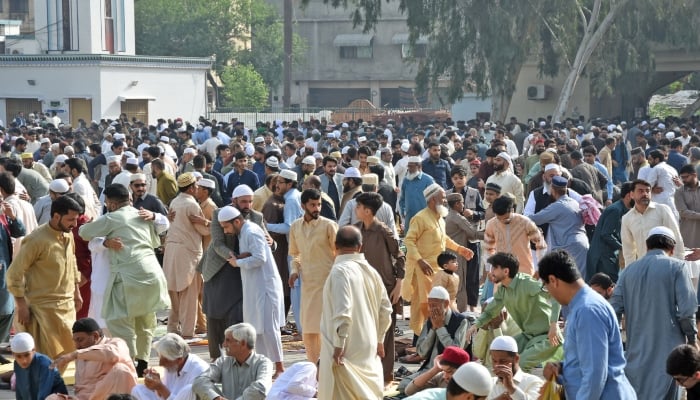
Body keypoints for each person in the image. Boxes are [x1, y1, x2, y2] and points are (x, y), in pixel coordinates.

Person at [79, 184, 171, 377]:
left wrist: (102, 232)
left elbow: (84, 232)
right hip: (153, 274)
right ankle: (143, 362)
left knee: (120, 323)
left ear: (111, 203)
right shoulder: (143, 214)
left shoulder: (112, 217)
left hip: (128, 278)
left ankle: (131, 362)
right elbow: (159, 235)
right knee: (145, 323)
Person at [611, 226, 697, 400]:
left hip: (635, 355)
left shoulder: (628, 271)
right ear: (672, 249)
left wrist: (616, 346)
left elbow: (613, 310)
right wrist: (692, 339)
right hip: (670, 355)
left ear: (647, 246)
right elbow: (687, 311)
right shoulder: (677, 267)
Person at [540, 249, 636, 399]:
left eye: (545, 287)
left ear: (553, 280)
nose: (549, 293)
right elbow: (586, 362)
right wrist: (562, 369)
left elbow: (594, 375)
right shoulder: (581, 307)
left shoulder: (587, 310)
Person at [318, 225, 392, 400]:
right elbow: (386, 310)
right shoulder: (371, 271)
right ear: (360, 246)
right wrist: (380, 339)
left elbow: (343, 313)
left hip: (346, 348)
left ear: (335, 246)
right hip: (368, 345)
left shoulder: (339, 272)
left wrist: (338, 346)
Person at [7, 195, 84, 361]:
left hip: (66, 307)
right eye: (71, 219)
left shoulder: (68, 234)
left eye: (76, 219)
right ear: (56, 216)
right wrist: (21, 304)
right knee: (44, 359)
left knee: (65, 355)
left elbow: (72, 263)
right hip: (41, 311)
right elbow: (14, 274)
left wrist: (76, 291)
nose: (75, 224)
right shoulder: (36, 240)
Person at [465, 252, 563, 371]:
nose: (491, 273)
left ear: (506, 271)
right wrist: (475, 325)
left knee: (521, 363)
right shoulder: (502, 290)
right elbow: (490, 312)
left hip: (548, 337)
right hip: (528, 336)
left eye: (495, 268)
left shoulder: (527, 283)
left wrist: (554, 324)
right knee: (501, 355)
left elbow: (556, 296)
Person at [218, 205, 286, 377]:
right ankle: (265, 367)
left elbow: (260, 258)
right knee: (258, 329)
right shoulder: (244, 232)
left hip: (265, 287)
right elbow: (253, 254)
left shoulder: (251, 231)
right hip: (254, 287)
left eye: (226, 227)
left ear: (237, 221)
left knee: (270, 329)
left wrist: (237, 263)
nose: (225, 232)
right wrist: (241, 257)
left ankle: (280, 368)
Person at [403, 183, 474, 335]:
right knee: (424, 305)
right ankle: (421, 339)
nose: (445, 201)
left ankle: (433, 336)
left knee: (438, 304)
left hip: (438, 269)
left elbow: (444, 239)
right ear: (433, 199)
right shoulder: (420, 218)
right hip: (423, 268)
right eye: (442, 198)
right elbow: (409, 241)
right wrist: (420, 260)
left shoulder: (440, 219)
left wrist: (460, 249)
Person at [353, 191, 405, 384]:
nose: (356, 209)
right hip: (362, 287)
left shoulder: (383, 230)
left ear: (367, 211)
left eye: (358, 207)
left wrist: (399, 284)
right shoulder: (357, 230)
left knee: (387, 332)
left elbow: (400, 254)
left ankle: (387, 376)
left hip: (386, 287)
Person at [289, 188, 338, 363]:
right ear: (303, 206)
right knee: (309, 331)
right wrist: (294, 271)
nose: (316, 208)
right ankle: (313, 369)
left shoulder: (329, 226)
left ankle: (328, 369)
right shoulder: (295, 227)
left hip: (328, 285)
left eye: (319, 204)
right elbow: (295, 254)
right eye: (312, 205)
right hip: (308, 286)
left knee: (326, 330)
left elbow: (339, 254)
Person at [163, 173, 210, 339]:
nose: (197, 188)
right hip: (188, 253)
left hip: (172, 252)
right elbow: (203, 230)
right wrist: (210, 224)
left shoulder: (174, 202)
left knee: (174, 294)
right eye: (196, 186)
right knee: (189, 295)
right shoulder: (192, 205)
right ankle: (188, 333)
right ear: (191, 188)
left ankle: (172, 329)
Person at [48, 318, 138, 400]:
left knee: (121, 371)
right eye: (75, 341)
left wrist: (74, 355)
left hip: (109, 397)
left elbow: (112, 354)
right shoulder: (80, 354)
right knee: (53, 398)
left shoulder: (116, 343)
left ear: (95, 336)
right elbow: (80, 388)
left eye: (80, 340)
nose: (77, 346)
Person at [193, 323, 273, 400]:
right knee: (191, 389)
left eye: (228, 340)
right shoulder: (223, 361)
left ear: (242, 343)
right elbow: (200, 381)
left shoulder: (263, 363)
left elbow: (261, 388)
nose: (224, 344)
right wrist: (216, 397)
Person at [529, 175, 590, 277]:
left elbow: (536, 219)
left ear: (552, 190)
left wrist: (517, 217)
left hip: (569, 246)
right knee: (579, 280)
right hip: (581, 244)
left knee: (567, 280)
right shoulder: (574, 202)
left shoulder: (557, 206)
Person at [621, 179, 684, 266]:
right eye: (640, 191)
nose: (645, 194)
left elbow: (676, 237)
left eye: (647, 191)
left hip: (666, 265)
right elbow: (628, 250)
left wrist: (680, 262)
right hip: (644, 267)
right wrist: (630, 271)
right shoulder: (627, 218)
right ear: (632, 194)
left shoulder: (662, 210)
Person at [131, 333, 209, 400]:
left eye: (165, 360)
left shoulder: (200, 371)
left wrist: (160, 387)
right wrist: (157, 383)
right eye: (160, 358)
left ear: (179, 359)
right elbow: (165, 395)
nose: (161, 364)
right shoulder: (172, 366)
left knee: (189, 390)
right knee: (138, 389)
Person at [483, 196, 545, 276]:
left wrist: (540, 268)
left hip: (524, 272)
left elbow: (540, 244)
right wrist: (489, 269)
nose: (502, 221)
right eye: (499, 218)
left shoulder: (525, 222)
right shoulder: (491, 224)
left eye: (505, 218)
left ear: (512, 210)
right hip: (502, 274)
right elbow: (488, 249)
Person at [585, 181, 634, 282]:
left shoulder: (622, 209)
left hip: (607, 256)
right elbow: (606, 234)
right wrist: (623, 247)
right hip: (602, 258)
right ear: (629, 195)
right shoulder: (616, 210)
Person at [444, 191, 483, 312]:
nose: (463, 205)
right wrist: (492, 234)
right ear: (456, 204)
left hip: (449, 253)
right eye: (461, 203)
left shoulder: (448, 216)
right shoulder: (458, 218)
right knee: (460, 286)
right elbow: (473, 234)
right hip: (458, 255)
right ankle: (461, 315)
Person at [11, 332, 68, 400]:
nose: (24, 360)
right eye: (19, 356)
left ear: (34, 350)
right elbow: (20, 390)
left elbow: (44, 394)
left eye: (27, 355)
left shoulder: (44, 364)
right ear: (13, 354)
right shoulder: (17, 364)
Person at [404, 346, 470, 396]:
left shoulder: (471, 385)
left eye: (450, 372)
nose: (445, 376)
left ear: (462, 370)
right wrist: (435, 369)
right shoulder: (441, 378)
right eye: (444, 371)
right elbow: (409, 391)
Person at [399, 156, 435, 233]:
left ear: (419, 166)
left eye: (411, 166)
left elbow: (434, 199)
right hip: (410, 219)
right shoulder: (406, 180)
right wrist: (403, 211)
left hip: (425, 219)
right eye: (408, 166)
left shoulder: (428, 180)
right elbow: (402, 199)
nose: (409, 169)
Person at [675, 164, 700, 249]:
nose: (683, 180)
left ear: (694, 175)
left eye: (686, 177)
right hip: (689, 232)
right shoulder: (679, 192)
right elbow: (683, 212)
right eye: (682, 177)